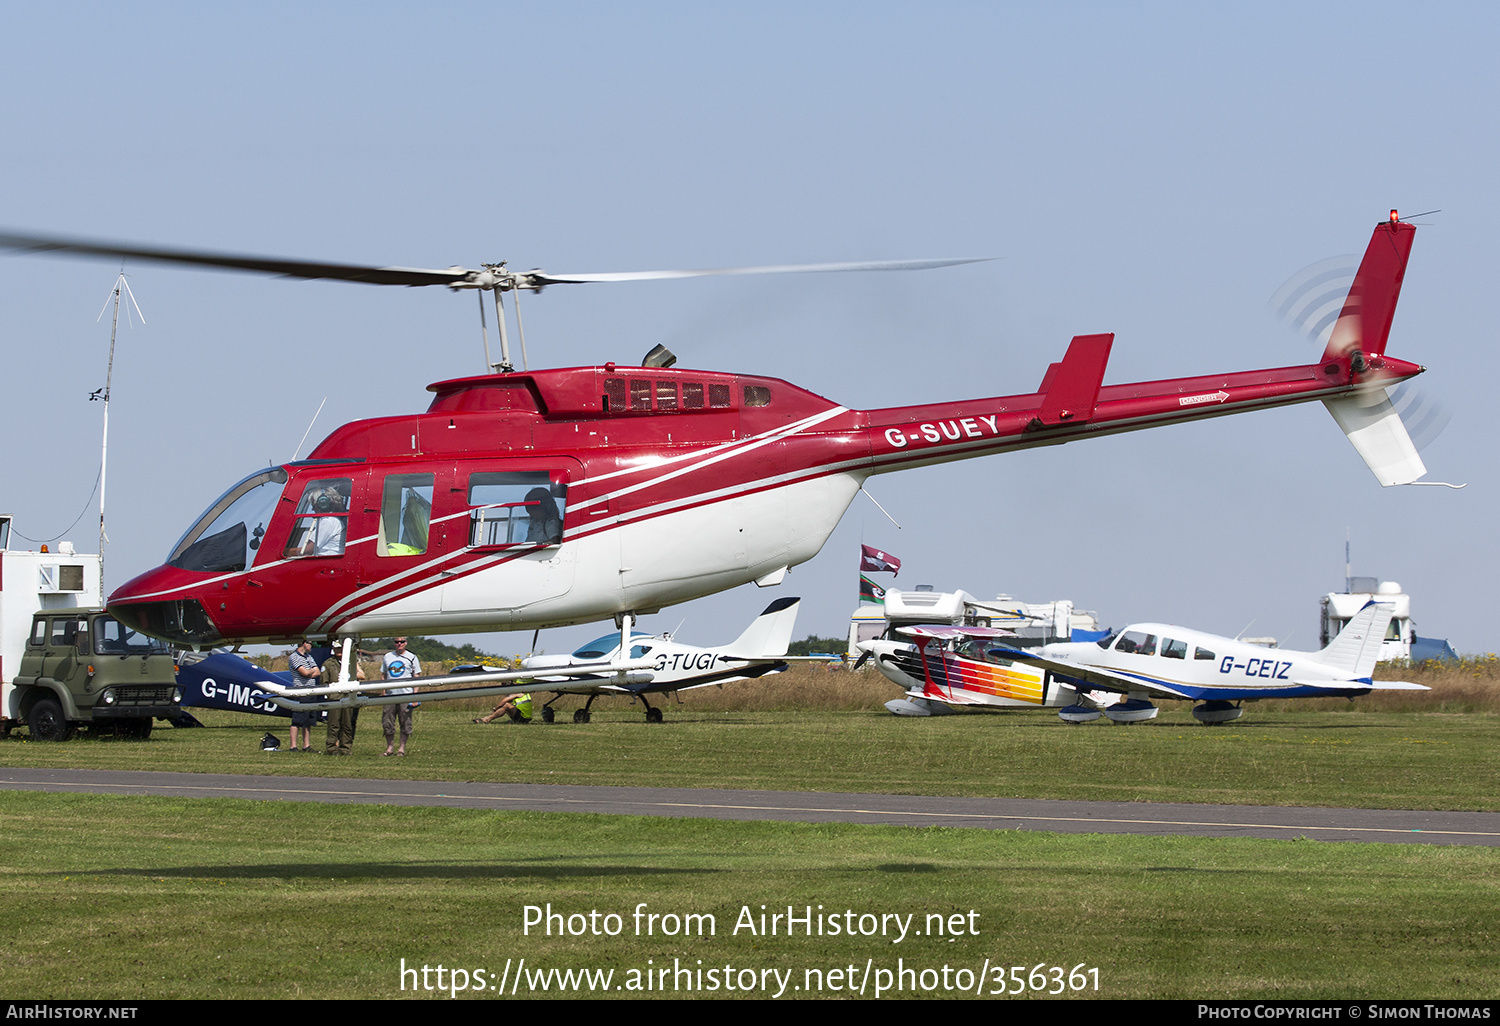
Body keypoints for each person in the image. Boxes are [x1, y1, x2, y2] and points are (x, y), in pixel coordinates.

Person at [322, 642, 366, 755]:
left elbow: (361, 676)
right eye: (337, 648)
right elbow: (324, 682)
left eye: (341, 648)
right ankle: (331, 747)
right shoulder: (328, 664)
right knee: (334, 724)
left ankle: (345, 748)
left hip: (348, 697)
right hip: (335, 699)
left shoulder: (350, 664)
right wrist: (331, 696)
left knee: (347, 724)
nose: (339, 651)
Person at [381, 637, 421, 756]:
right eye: (397, 642)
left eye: (402, 642)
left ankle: (401, 749)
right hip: (390, 695)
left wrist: (415, 695)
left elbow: (416, 676)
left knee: (405, 722)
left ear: (406, 643)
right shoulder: (387, 657)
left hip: (406, 694)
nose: (399, 644)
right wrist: (383, 692)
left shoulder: (412, 657)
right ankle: (390, 748)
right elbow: (384, 675)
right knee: (387, 722)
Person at [286, 640, 321, 752]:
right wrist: (310, 672)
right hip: (300, 690)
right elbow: (304, 673)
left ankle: (306, 745)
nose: (312, 646)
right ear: (305, 644)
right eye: (310, 643)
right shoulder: (294, 657)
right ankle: (293, 746)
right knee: (298, 719)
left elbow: (318, 672)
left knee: (309, 720)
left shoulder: (309, 657)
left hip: (311, 690)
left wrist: (308, 672)